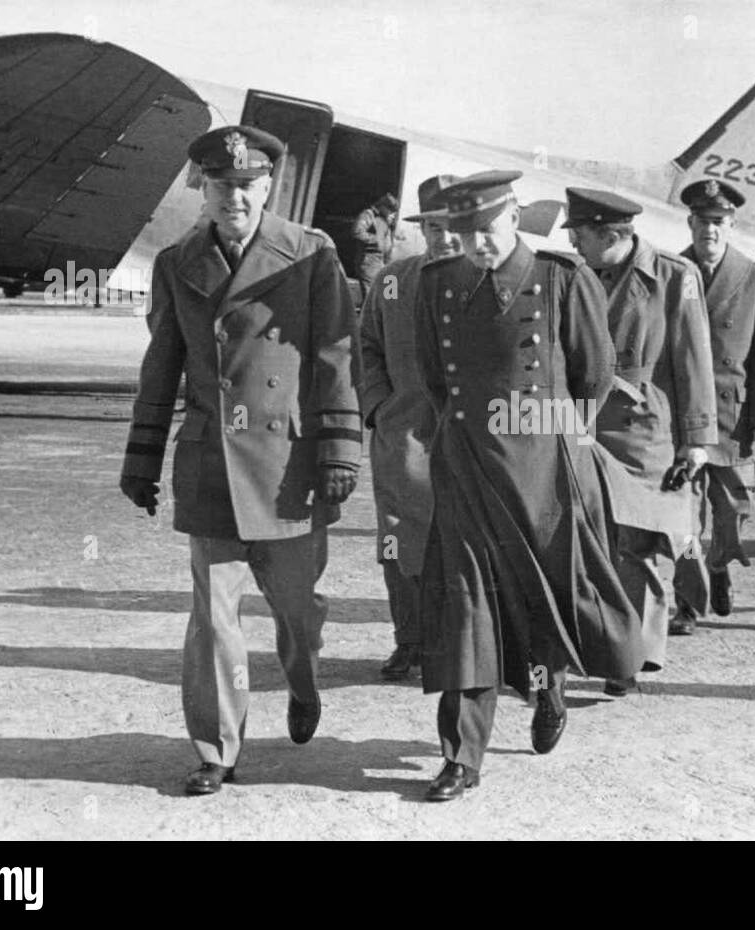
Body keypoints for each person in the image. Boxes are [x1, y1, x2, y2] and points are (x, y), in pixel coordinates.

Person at [118, 126, 362, 795]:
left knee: (298, 612)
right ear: (203, 187)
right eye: (222, 185)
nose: (236, 198)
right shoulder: (176, 263)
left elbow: (335, 359)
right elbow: (161, 363)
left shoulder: (310, 255)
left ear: (269, 186)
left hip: (288, 467)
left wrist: (340, 447)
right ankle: (217, 751)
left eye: (248, 186)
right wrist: (141, 457)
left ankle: (304, 681)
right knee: (213, 619)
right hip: (210, 467)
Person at [414, 171, 643, 801]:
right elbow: (436, 380)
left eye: (485, 231)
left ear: (513, 216)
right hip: (464, 466)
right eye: (463, 236)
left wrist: (542, 428)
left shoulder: (561, 279)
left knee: (540, 593)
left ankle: (549, 688)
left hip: (542, 467)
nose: (477, 245)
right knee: (468, 606)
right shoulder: (435, 285)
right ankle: (461, 755)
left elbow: (594, 376)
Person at [563, 187, 717, 692]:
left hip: (646, 428)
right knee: (592, 542)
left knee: (642, 544)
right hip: (583, 423)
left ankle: (634, 658)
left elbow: (694, 359)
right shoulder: (573, 275)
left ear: (612, 235)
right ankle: (599, 642)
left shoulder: (676, 277)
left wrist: (696, 440)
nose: (575, 243)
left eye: (581, 235)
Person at [359, 175, 461, 681]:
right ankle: (410, 640)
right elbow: (367, 349)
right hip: (404, 439)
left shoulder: (491, 280)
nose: (443, 237)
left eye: (452, 226)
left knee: (468, 544)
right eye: (433, 227)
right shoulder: (393, 279)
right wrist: (378, 407)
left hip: (469, 442)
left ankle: (470, 647)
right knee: (399, 543)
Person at [671, 179, 755, 630]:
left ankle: (719, 563)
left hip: (734, 417)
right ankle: (689, 603)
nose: (709, 231)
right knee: (685, 516)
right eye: (702, 221)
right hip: (685, 416)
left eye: (718, 222)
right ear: (690, 223)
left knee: (733, 510)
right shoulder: (673, 271)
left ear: (731, 225)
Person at [352, 192, 400, 299]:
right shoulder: (368, 215)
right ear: (382, 207)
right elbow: (357, 232)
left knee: (386, 295)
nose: (392, 214)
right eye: (390, 210)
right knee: (371, 297)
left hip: (381, 262)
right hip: (369, 262)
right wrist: (377, 240)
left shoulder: (384, 219)